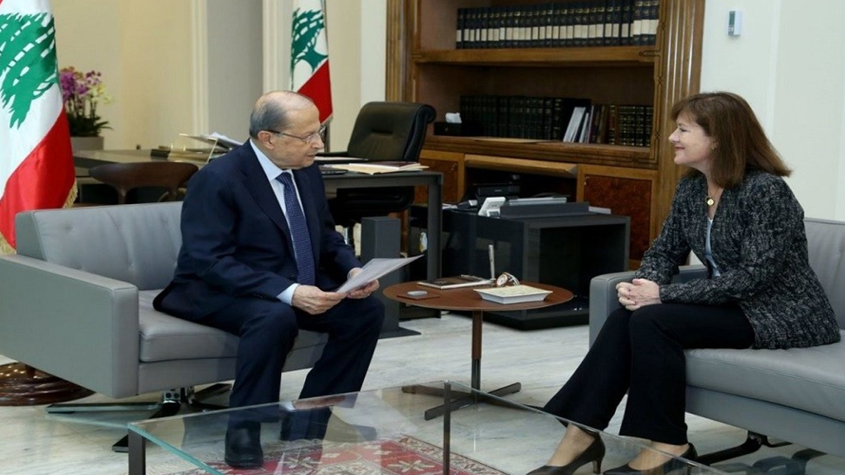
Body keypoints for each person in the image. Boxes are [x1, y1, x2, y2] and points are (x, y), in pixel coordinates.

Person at [527, 92, 841, 475]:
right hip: (731, 305)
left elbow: (754, 276)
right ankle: (581, 433)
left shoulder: (766, 191)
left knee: (653, 319)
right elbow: (664, 251)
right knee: (630, 315)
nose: (672, 138)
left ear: (718, 138)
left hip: (780, 314)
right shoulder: (692, 189)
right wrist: (643, 285)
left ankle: (667, 443)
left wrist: (661, 295)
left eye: (683, 130)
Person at [154, 91, 384, 468]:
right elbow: (209, 260)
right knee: (274, 317)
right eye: (308, 136)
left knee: (366, 312)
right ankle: (244, 427)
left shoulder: (306, 170)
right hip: (217, 288)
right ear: (268, 138)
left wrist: (352, 269)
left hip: (292, 283)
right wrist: (290, 292)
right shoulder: (217, 179)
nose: (319, 144)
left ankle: (310, 417)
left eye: (320, 133)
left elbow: (326, 235)